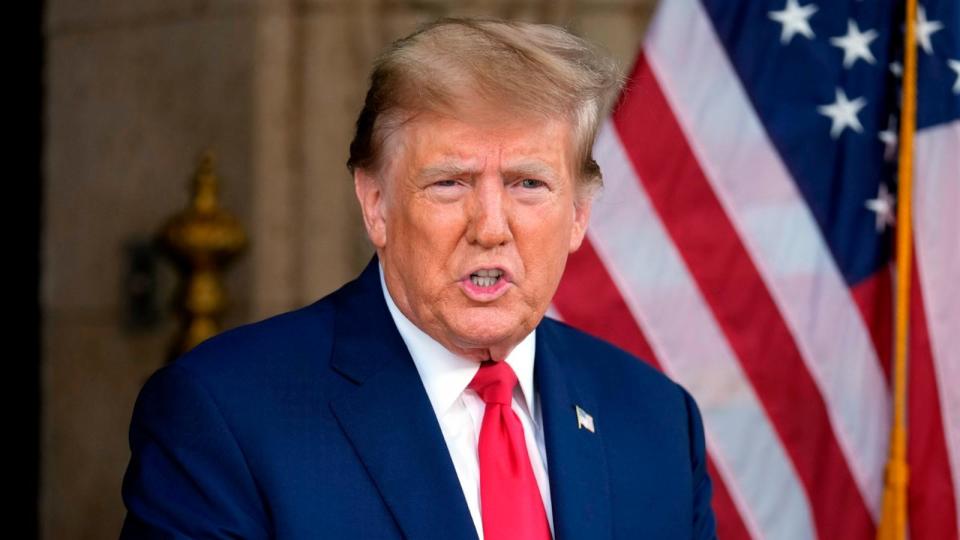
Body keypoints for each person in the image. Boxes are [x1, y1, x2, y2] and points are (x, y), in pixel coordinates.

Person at [119, 16, 717, 540]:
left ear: (579, 216)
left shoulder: (660, 423)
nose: (490, 227)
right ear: (375, 204)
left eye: (527, 184)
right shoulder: (223, 414)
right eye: (449, 182)